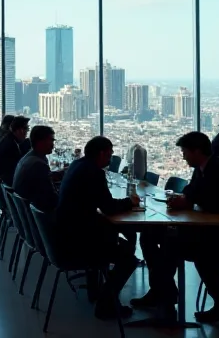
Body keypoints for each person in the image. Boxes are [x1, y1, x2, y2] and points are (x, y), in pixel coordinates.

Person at [133, 132, 219, 322]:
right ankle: (161, 290)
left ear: (197, 151)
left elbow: (213, 202)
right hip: (214, 231)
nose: (183, 156)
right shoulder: (202, 167)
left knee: (176, 246)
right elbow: (192, 192)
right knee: (149, 237)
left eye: (185, 152)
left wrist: (187, 201)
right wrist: (186, 199)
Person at [55, 136, 139, 320]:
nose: (109, 160)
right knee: (129, 258)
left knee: (122, 245)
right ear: (101, 154)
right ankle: (106, 304)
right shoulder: (94, 172)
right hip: (78, 241)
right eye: (109, 155)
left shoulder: (77, 165)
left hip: (65, 235)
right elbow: (108, 207)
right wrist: (130, 203)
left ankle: (96, 291)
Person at [12, 125, 59, 213]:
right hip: (39, 218)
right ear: (40, 142)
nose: (53, 145)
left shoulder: (29, 157)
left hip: (25, 214)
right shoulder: (38, 164)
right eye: (51, 140)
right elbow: (52, 199)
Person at [0, 115, 29, 185]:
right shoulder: (11, 145)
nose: (26, 132)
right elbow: (17, 172)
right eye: (26, 129)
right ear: (19, 130)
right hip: (7, 186)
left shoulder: (6, 139)